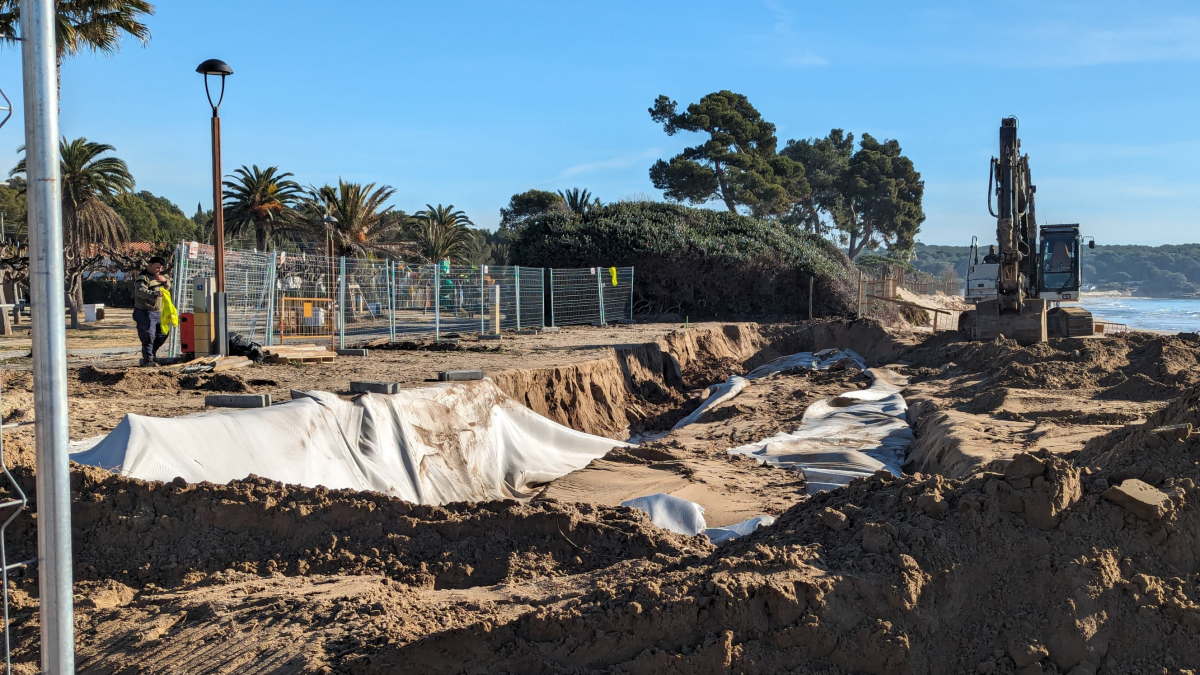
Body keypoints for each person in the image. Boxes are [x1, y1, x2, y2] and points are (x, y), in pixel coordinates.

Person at [133, 256, 171, 367]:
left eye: (161, 267)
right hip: (145, 311)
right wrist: (154, 294)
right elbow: (140, 292)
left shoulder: (161, 276)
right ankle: (148, 359)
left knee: (163, 333)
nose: (159, 270)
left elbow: (169, 286)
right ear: (150, 265)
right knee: (148, 336)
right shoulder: (143, 278)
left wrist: (165, 281)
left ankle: (152, 353)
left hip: (159, 311)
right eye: (157, 267)